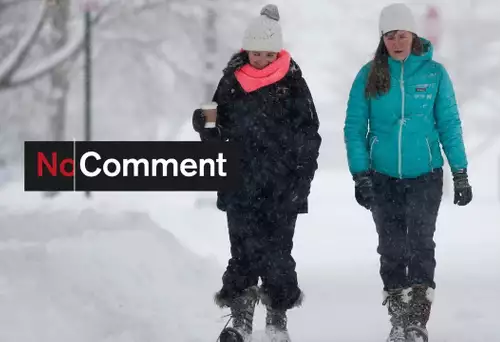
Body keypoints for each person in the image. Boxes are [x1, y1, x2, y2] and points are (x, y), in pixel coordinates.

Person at [191, 4, 322, 342]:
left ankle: (277, 320)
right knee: (244, 251)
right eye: (255, 53)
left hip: (282, 186)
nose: (261, 59)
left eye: (267, 53)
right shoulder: (230, 82)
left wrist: (301, 184)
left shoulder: (293, 83)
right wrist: (205, 129)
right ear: (245, 50)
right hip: (240, 184)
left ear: (277, 51)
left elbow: (309, 137)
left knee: (278, 252)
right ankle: (241, 320)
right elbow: (217, 133)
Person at [344, 3, 472, 342]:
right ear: (382, 39)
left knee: (419, 244)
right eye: (389, 36)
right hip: (382, 175)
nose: (396, 42)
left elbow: (449, 124)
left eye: (402, 35)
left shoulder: (434, 74)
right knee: (391, 248)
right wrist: (361, 174)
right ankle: (397, 317)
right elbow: (355, 127)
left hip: (425, 174)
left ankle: (417, 319)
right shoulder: (369, 75)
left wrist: (460, 172)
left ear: (413, 36)